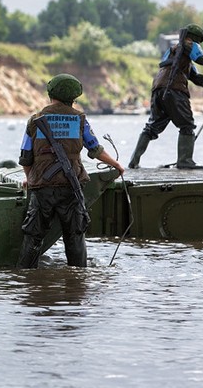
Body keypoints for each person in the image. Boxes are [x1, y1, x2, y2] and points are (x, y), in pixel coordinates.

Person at [17, 74, 125, 268]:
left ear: (51, 94)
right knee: (75, 236)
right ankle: (77, 280)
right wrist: (116, 164)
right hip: (71, 186)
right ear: (74, 97)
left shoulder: (35, 120)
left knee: (33, 237)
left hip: (42, 188)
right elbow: (95, 149)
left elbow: (25, 157)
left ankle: (26, 278)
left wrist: (30, 178)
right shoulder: (79, 119)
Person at [128, 24, 203, 169]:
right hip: (175, 90)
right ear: (194, 39)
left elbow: (196, 77)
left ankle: (134, 161)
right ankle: (185, 161)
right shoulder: (190, 45)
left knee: (152, 127)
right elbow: (202, 59)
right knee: (186, 125)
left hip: (158, 90)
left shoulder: (172, 51)